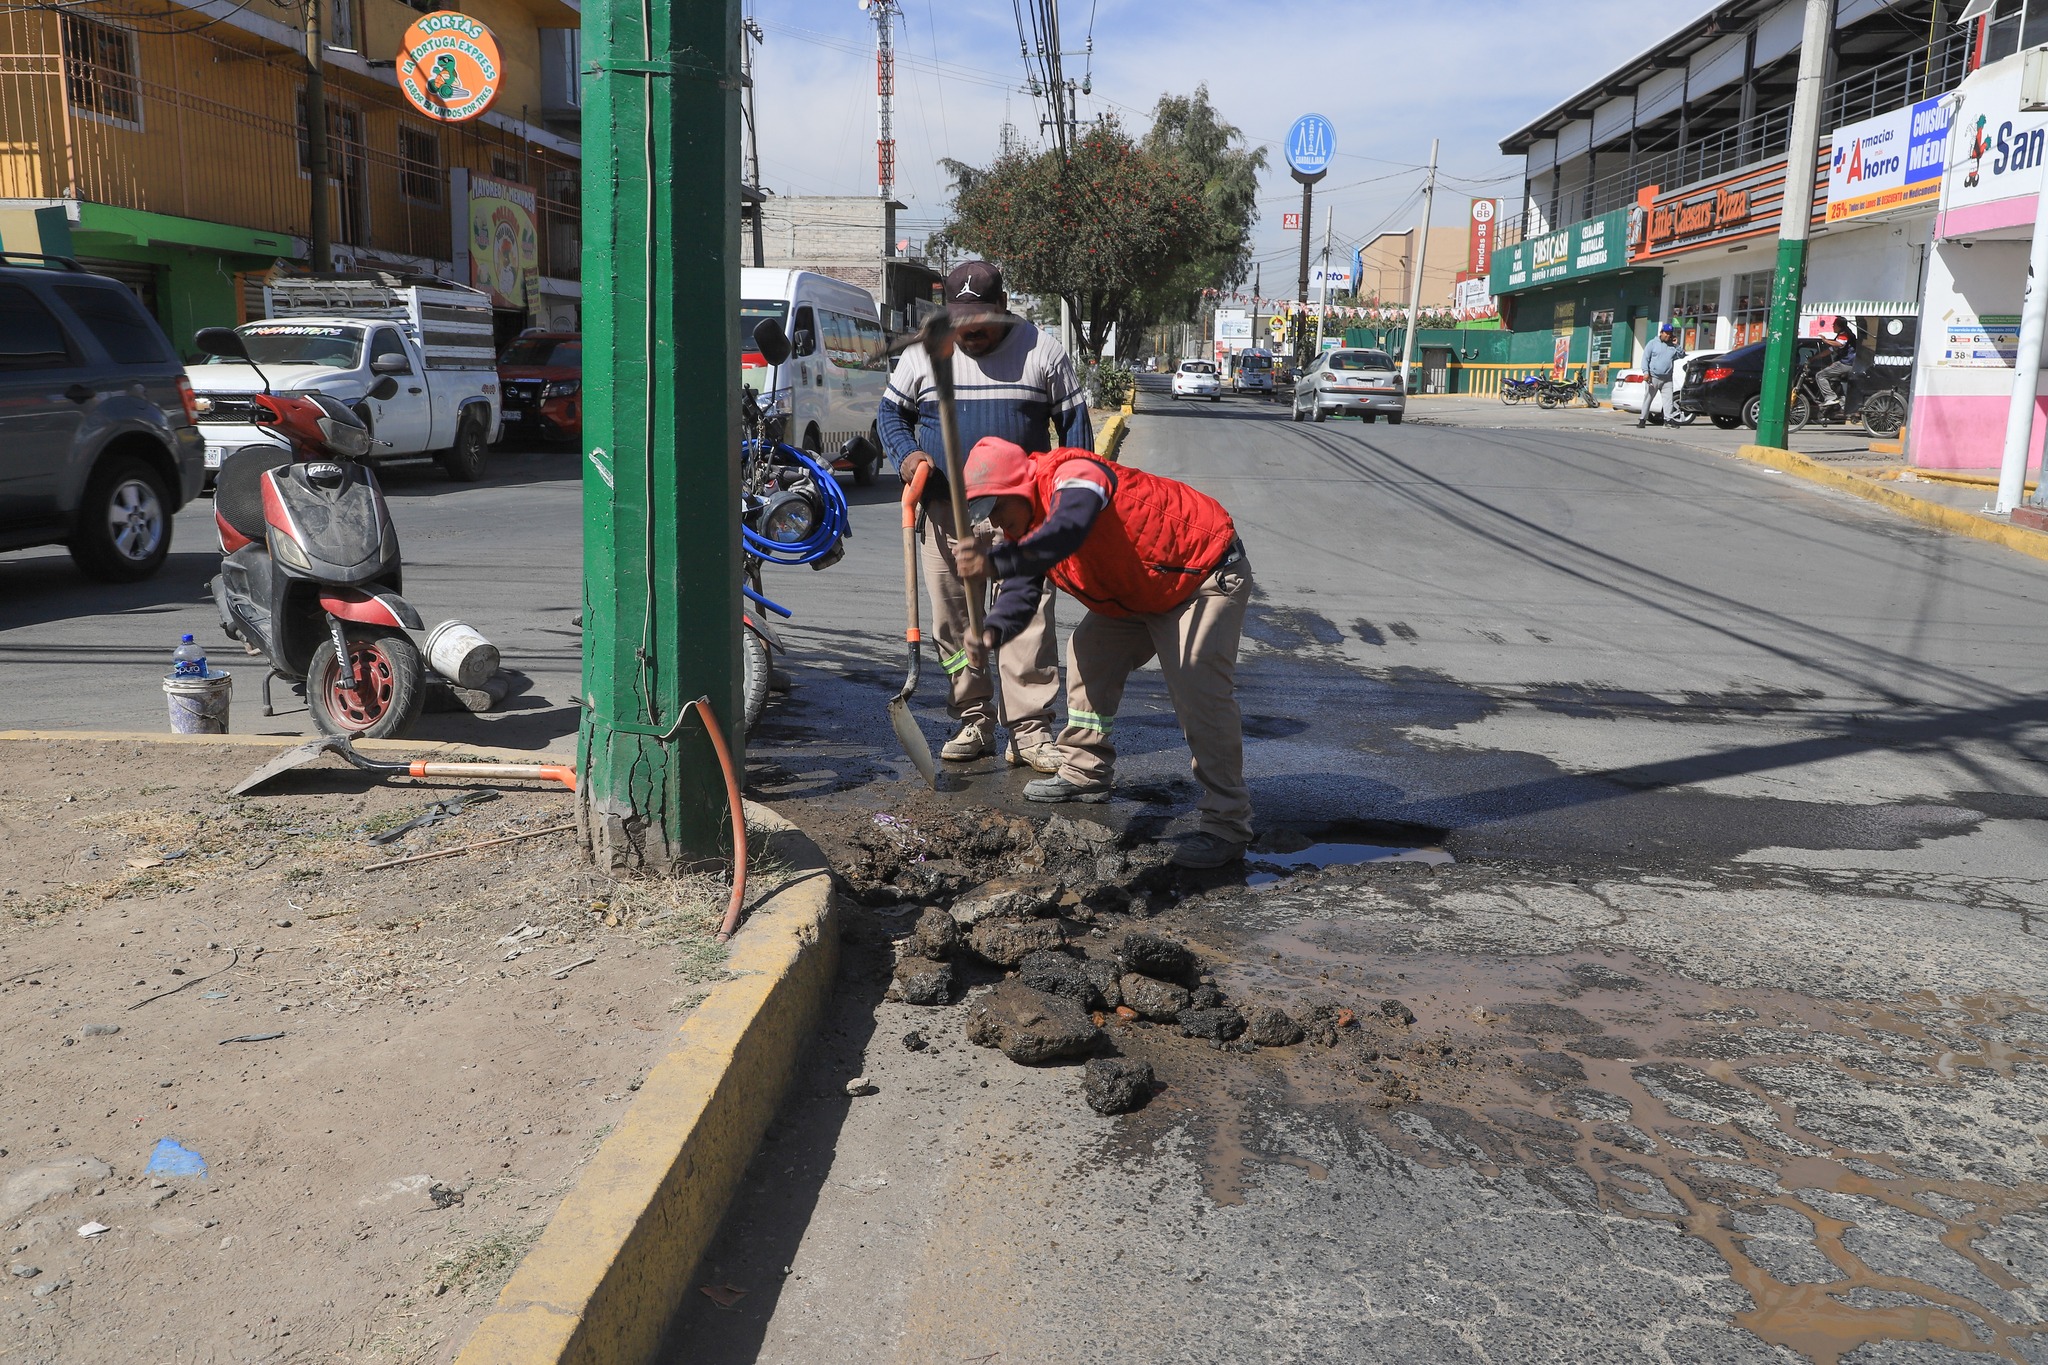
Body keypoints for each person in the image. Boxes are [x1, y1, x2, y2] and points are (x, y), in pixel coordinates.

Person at [954, 436, 1254, 870]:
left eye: (999, 509)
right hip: (1135, 590)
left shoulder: (1075, 477)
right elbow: (1021, 593)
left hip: (1200, 574)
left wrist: (998, 561)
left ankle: (1227, 825)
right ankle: (1084, 770)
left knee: (1198, 688)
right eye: (987, 517)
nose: (997, 524)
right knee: (1090, 652)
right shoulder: (1026, 526)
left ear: (1021, 488)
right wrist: (989, 634)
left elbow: (1067, 530)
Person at [877, 261, 1092, 772]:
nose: (970, 333)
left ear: (1003, 311)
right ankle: (975, 716)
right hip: (945, 512)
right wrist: (909, 457)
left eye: (981, 321)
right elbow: (890, 415)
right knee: (954, 624)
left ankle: (1030, 729)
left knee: (1026, 622)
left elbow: (1076, 431)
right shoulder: (923, 354)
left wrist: (1072, 506)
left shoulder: (1042, 351)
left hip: (1020, 515)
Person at [1639, 323, 1684, 428]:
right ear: (1661, 333)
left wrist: (1677, 345)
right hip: (1654, 377)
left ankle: (1668, 420)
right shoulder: (1652, 343)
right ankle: (1642, 419)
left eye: (1670, 334)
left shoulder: (1672, 346)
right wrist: (1646, 373)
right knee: (1648, 398)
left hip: (1667, 378)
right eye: (1666, 333)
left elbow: (1681, 355)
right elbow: (1645, 358)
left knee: (1668, 400)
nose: (1668, 335)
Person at [1813, 319, 1861, 413]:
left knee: (1820, 375)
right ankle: (1843, 405)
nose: (1833, 326)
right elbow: (1830, 350)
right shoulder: (1844, 334)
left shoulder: (1844, 334)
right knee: (1835, 381)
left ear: (1839, 326)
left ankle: (1830, 397)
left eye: (1834, 325)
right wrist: (1814, 358)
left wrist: (1825, 340)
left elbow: (1840, 344)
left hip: (1846, 363)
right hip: (1850, 363)